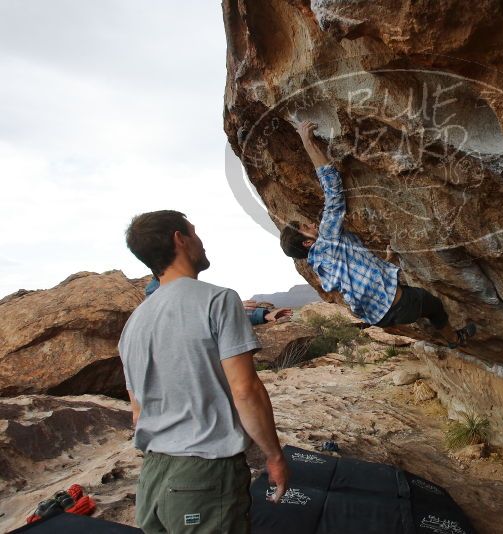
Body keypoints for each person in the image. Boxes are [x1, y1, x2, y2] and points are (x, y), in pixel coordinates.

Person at [119, 210, 289, 533]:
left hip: (152, 480)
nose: (201, 241)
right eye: (195, 233)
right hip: (205, 478)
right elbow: (245, 391)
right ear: (179, 240)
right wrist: (275, 456)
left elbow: (137, 415)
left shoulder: (133, 325)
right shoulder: (218, 301)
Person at [279, 121, 476, 348]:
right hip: (399, 305)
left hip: (378, 317)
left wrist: (388, 259)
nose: (313, 224)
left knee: (421, 306)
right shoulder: (325, 242)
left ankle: (435, 335)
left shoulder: (320, 265)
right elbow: (332, 188)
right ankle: (454, 339)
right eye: (307, 227)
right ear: (307, 242)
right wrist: (308, 142)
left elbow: (354, 276)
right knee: (434, 306)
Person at [144, 277, 292, 326]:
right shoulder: (160, 298)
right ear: (180, 240)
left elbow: (209, 315)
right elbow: (206, 316)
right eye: (193, 233)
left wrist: (263, 315)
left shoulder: (182, 290)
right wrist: (231, 307)